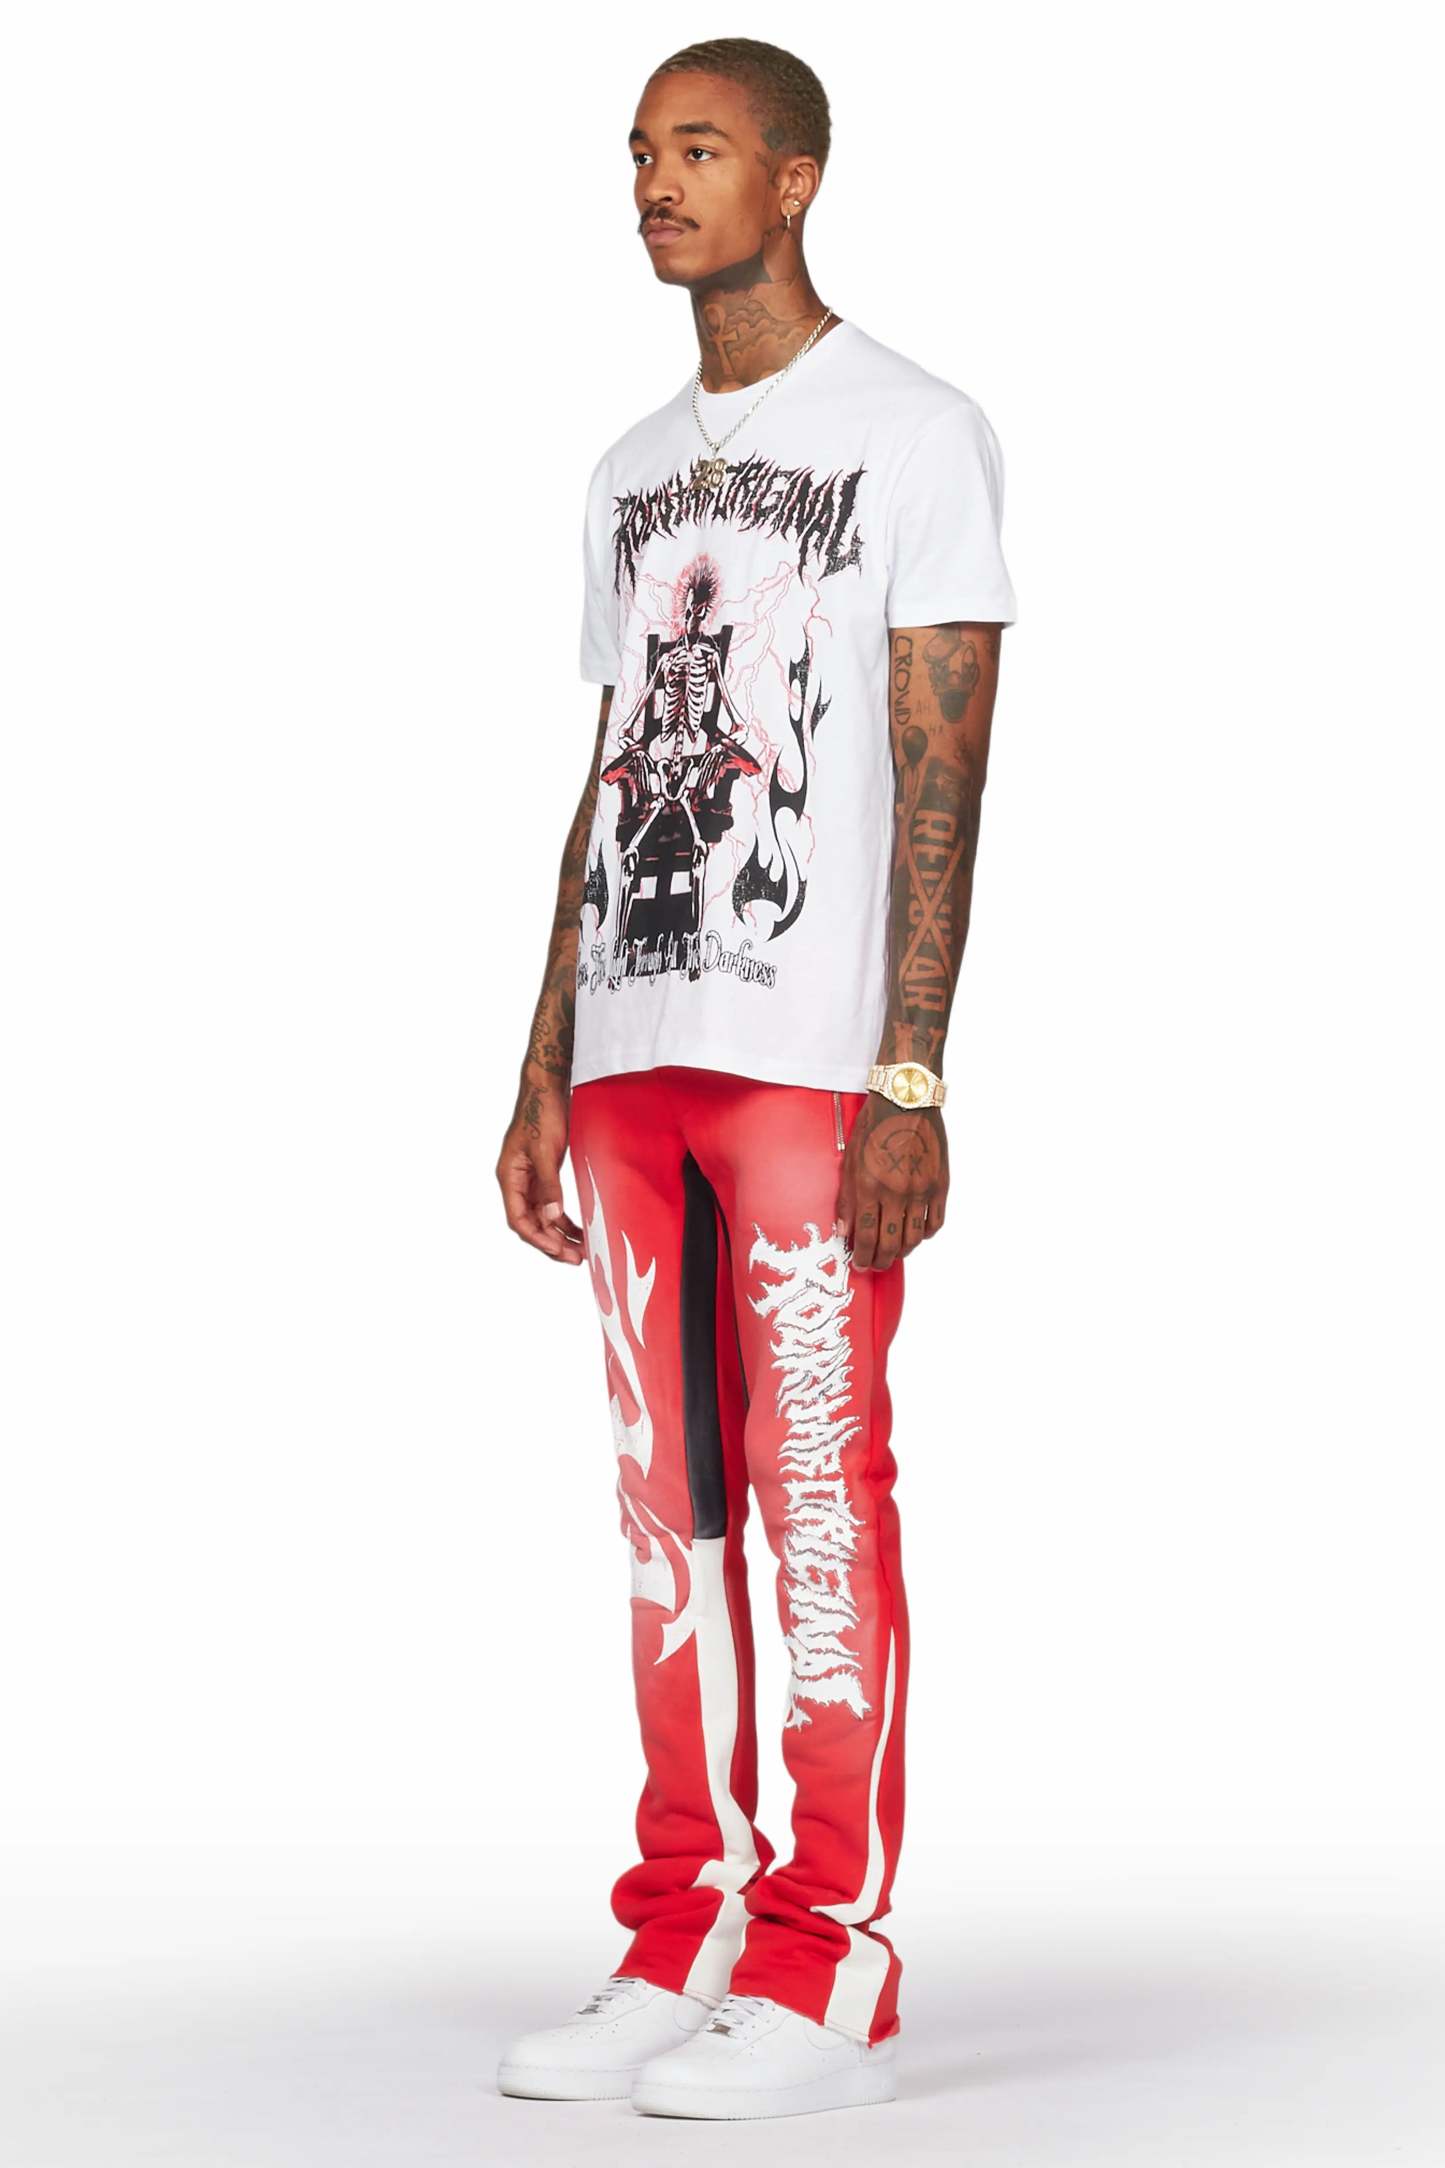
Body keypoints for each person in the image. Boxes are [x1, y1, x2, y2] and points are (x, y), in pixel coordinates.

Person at [494, 35, 1016, 2122]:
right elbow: (613, 759)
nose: (657, 182)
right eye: (641, 152)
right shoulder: (628, 465)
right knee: (668, 1504)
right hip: (634, 1049)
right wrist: (541, 1057)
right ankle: (686, 1925)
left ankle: (828, 1963)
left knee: (816, 1494)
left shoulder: (915, 430)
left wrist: (911, 1073)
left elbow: (945, 760)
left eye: (699, 149)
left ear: (793, 178)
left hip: (807, 1061)